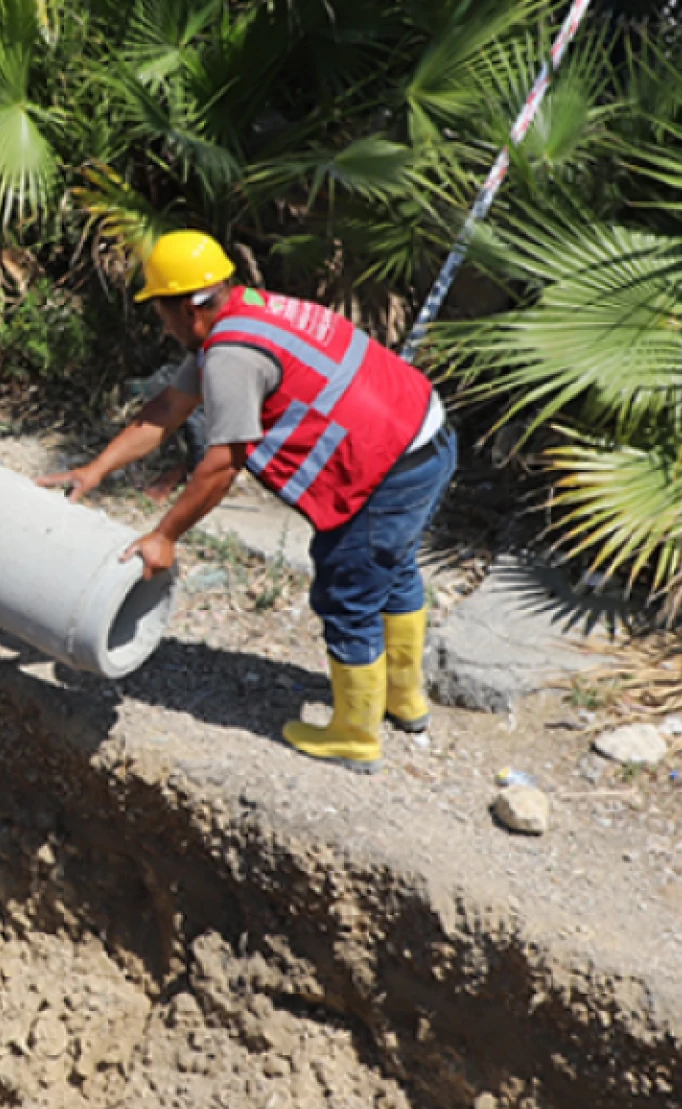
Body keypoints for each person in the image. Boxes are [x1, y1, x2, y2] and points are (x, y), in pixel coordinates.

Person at [39, 230, 458, 773]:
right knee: (394, 569)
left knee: (347, 590)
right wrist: (97, 468)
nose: (159, 324)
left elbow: (222, 463)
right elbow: (170, 406)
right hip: (426, 435)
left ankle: (355, 733)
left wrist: (164, 536)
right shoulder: (247, 311)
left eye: (159, 309)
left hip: (387, 466)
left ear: (185, 309)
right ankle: (405, 701)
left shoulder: (232, 357)